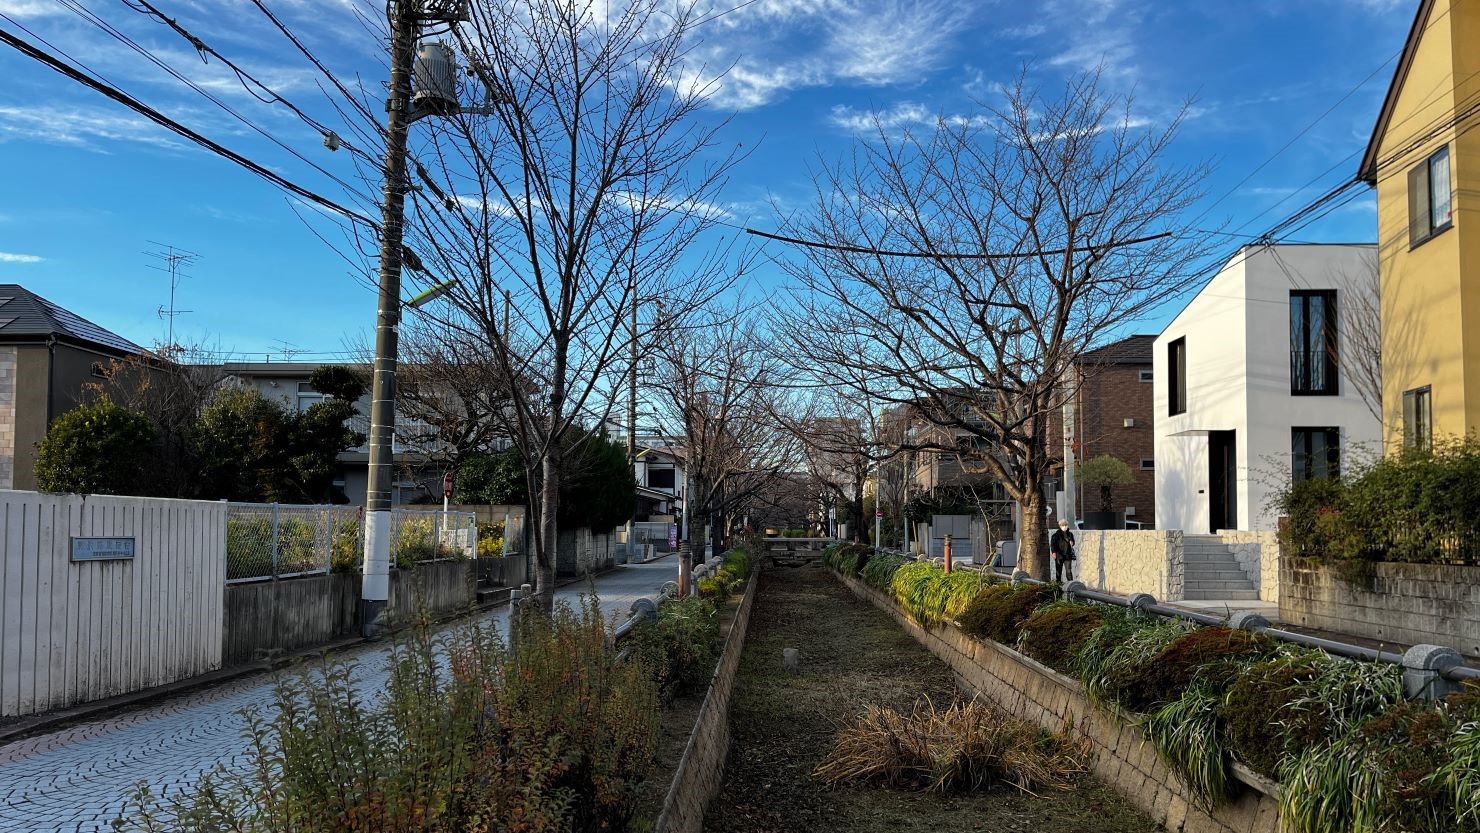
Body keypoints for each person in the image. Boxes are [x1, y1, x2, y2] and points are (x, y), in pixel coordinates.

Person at [1050, 519, 1076, 583]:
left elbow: (1073, 542)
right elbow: (1053, 545)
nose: (1064, 526)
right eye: (1063, 525)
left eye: (1065, 525)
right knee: (1058, 571)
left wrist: (1072, 542)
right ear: (1060, 526)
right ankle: (1058, 584)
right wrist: (1053, 552)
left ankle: (1070, 584)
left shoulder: (1070, 534)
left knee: (1069, 571)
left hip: (1067, 555)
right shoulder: (1055, 535)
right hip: (1059, 555)